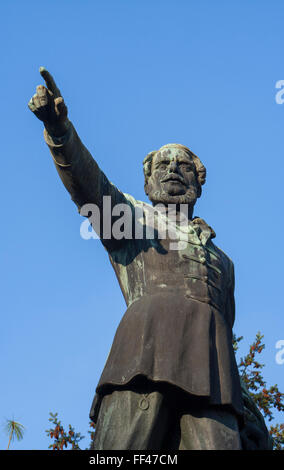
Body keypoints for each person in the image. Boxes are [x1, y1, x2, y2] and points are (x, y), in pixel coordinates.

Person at [28, 68, 244, 450]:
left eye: (183, 166)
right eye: (163, 165)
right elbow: (89, 188)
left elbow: (226, 330)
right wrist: (60, 133)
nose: (174, 170)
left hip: (215, 380)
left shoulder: (223, 262)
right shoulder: (133, 220)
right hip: (143, 359)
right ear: (148, 183)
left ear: (198, 183)